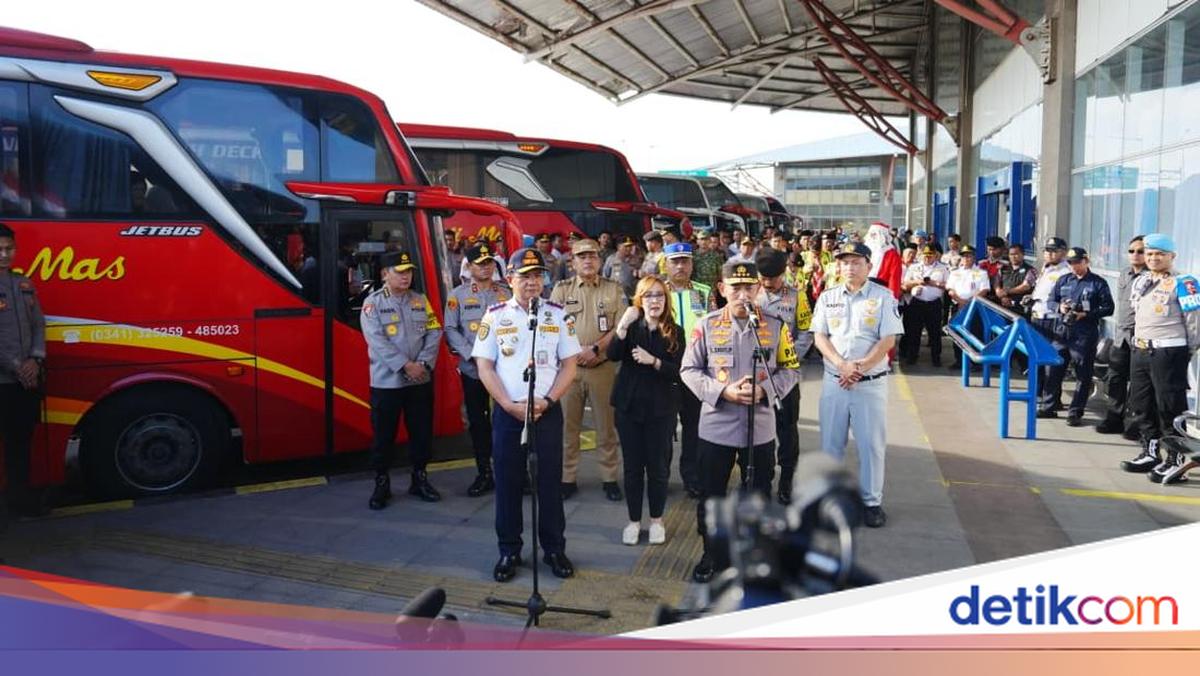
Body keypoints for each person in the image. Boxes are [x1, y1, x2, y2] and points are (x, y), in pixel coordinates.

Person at [681, 260, 800, 583]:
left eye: (749, 287)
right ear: (722, 289)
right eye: (735, 288)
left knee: (758, 497)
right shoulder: (706, 325)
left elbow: (790, 369)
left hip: (759, 429)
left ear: (758, 289)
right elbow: (689, 370)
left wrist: (764, 391)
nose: (743, 294)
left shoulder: (775, 326)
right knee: (711, 497)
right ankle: (711, 554)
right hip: (716, 428)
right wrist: (723, 391)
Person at [473, 247, 581, 581]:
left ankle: (554, 549)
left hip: (546, 411)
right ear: (510, 279)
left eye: (538, 276)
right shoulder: (494, 315)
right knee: (507, 484)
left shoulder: (558, 315)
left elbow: (569, 365)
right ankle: (509, 550)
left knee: (549, 484)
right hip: (509, 413)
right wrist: (507, 404)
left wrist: (548, 400)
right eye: (525, 276)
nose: (533, 282)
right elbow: (484, 366)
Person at [810, 242, 904, 528]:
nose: (849, 267)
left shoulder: (883, 297)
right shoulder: (828, 297)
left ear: (869, 266)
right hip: (835, 381)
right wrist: (842, 364)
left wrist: (860, 367)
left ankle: (871, 503)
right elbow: (820, 337)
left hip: (869, 384)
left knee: (870, 446)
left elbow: (888, 339)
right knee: (831, 444)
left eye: (856, 262)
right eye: (844, 262)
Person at [360, 250, 443, 509]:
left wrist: (424, 364)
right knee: (383, 435)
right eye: (400, 271)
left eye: (408, 272)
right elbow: (377, 341)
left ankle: (419, 478)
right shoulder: (373, 304)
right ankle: (381, 482)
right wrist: (406, 365)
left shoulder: (420, 300)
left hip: (419, 380)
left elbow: (434, 331)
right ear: (385, 274)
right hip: (387, 383)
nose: (406, 276)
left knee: (421, 432)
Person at [1118, 234, 1200, 485]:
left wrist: (1189, 349)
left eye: (1160, 254)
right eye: (1150, 253)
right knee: (1141, 403)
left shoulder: (1184, 282)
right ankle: (1150, 451)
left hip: (1168, 352)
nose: (1153, 258)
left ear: (1172, 256)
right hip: (1141, 349)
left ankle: (1175, 459)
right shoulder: (1142, 281)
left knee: (1168, 406)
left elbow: (1194, 320)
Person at [551, 238, 628, 501]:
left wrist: (595, 349)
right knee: (568, 427)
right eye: (581, 257)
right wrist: (576, 353)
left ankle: (609, 478)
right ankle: (567, 478)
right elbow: (553, 326)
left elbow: (621, 326)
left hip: (602, 367)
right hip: (569, 370)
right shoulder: (562, 290)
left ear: (599, 260)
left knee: (606, 427)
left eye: (592, 256)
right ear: (572, 262)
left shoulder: (613, 289)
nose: (587, 261)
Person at [608, 276, 683, 546]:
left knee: (658, 468)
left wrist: (655, 362)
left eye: (659, 295)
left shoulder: (675, 331)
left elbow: (680, 372)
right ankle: (633, 521)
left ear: (666, 300)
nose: (654, 301)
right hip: (629, 408)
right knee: (632, 468)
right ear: (639, 300)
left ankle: (656, 520)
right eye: (649, 295)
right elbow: (613, 354)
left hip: (661, 409)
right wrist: (622, 324)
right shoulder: (632, 327)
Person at [443, 242, 512, 496]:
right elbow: (450, 329)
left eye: (489, 262)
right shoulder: (457, 296)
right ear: (469, 267)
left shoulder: (506, 293)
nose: (486, 267)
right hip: (474, 370)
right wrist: (473, 355)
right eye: (480, 264)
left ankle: (515, 472)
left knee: (509, 419)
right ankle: (484, 473)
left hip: (506, 370)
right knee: (478, 422)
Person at [756, 248, 811, 505]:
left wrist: (787, 358)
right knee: (759, 431)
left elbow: (807, 331)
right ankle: (762, 479)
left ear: (784, 273)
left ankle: (787, 478)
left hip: (786, 377)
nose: (768, 283)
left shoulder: (797, 296)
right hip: (757, 377)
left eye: (774, 278)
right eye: (764, 278)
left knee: (787, 430)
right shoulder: (751, 295)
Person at [0, 222, 47, 520]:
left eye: (9, 249)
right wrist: (17, 366)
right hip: (4, 380)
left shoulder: (23, 284)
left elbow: (39, 325)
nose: (4, 254)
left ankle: (20, 502)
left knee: (20, 443)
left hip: (26, 381)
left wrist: (35, 360)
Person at [1038, 247, 1113, 425]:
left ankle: (1075, 412)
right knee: (1052, 369)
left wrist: (1086, 314)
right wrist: (1060, 307)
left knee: (1082, 373)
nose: (1074, 266)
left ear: (1086, 261)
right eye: (1071, 263)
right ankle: (1048, 406)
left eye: (1077, 262)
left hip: (1084, 333)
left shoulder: (1098, 283)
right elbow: (1051, 300)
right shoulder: (1064, 280)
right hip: (1061, 331)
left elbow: (1108, 308)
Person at [663, 242, 712, 497]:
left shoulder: (704, 292)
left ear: (692, 264)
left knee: (694, 428)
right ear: (666, 264)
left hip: (696, 370)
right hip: (665, 370)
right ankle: (660, 478)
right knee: (663, 428)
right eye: (675, 261)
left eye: (685, 261)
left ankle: (692, 477)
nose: (680, 266)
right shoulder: (657, 292)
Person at [1097, 236, 1147, 438]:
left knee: (1139, 384)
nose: (1135, 255)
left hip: (1141, 336)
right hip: (1122, 335)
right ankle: (1114, 419)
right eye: (1132, 251)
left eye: (1141, 251)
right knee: (1116, 378)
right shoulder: (1125, 274)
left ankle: (1136, 424)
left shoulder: (1151, 277)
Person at [1028, 237, 1072, 399]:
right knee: (1037, 358)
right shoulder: (1046, 268)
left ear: (1063, 252)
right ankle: (1037, 393)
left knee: (1052, 363)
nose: (1050, 254)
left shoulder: (1065, 271)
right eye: (1047, 250)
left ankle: (1051, 399)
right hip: (1037, 317)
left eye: (1054, 251)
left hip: (1053, 320)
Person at [900, 244, 950, 366]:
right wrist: (917, 282)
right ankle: (912, 356)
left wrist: (935, 283)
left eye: (930, 256)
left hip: (934, 303)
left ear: (935, 256)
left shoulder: (942, 268)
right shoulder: (914, 267)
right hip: (917, 302)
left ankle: (936, 358)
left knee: (934, 332)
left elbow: (949, 285)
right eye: (925, 255)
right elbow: (905, 283)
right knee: (914, 331)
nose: (927, 258)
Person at [945, 245, 991, 368]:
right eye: (964, 256)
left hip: (975, 307)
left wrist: (969, 303)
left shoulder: (981, 273)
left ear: (974, 257)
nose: (966, 258)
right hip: (958, 305)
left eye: (969, 256)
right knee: (957, 334)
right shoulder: (955, 273)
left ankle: (976, 363)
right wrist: (960, 301)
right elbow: (950, 290)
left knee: (975, 334)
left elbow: (984, 290)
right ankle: (959, 361)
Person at [864, 222, 903, 301]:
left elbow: (894, 278)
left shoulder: (892, 253)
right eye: (871, 234)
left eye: (875, 234)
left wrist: (892, 299)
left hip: (881, 291)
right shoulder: (862, 251)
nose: (872, 237)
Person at [995, 243, 1037, 315]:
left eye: (1016, 254)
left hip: (1020, 308)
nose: (1013, 257)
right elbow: (996, 282)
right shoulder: (1003, 268)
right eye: (1011, 254)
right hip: (1002, 306)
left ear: (1023, 255)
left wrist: (1007, 292)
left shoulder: (1031, 270)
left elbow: (1025, 286)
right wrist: (1001, 294)